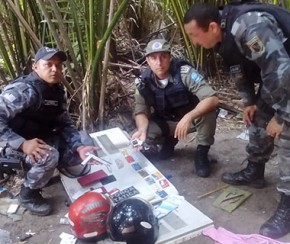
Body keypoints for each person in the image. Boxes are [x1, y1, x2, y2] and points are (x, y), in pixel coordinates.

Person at [183, 1, 290, 239]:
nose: (194, 42)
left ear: (211, 27)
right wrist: (249, 101)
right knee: (258, 118)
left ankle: (288, 204)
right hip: (280, 77)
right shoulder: (224, 34)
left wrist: (282, 117)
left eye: (194, 35)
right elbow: (237, 68)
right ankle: (255, 169)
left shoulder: (248, 26)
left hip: (286, 73)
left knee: (287, 136)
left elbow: (281, 72)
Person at [0, 46, 98, 216]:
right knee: (49, 155)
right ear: (35, 66)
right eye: (49, 64)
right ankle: (28, 194)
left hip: (39, 137)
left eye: (58, 65)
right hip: (9, 142)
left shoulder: (56, 91)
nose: (55, 69)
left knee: (84, 144)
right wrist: (22, 144)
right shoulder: (24, 90)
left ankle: (41, 173)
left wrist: (79, 147)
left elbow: (65, 123)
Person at [131, 38, 219, 178]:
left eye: (163, 57)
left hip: (192, 120)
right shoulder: (144, 82)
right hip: (167, 121)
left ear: (170, 57)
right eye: (154, 58)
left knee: (208, 111)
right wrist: (142, 129)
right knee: (144, 132)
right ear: (147, 60)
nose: (159, 62)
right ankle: (169, 141)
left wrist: (189, 116)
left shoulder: (185, 73)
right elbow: (141, 110)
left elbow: (212, 98)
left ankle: (202, 153)